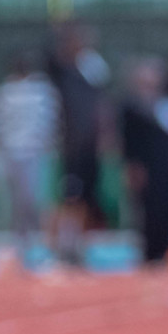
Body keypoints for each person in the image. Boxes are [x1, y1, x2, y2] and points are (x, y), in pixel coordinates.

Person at [0, 54, 59, 254]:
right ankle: (21, 244)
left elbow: (50, 122)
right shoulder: (5, 94)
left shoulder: (39, 92)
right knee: (18, 202)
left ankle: (37, 243)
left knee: (33, 201)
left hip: (32, 153)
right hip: (15, 152)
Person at [47, 24, 109, 266]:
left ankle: (79, 247)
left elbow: (101, 101)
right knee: (68, 197)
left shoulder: (91, 70)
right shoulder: (63, 72)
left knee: (86, 199)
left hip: (89, 147)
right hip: (70, 147)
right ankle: (62, 245)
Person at [119, 58, 168, 266]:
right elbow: (128, 141)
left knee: (165, 209)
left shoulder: (165, 105)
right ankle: (149, 253)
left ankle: (163, 251)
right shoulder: (131, 107)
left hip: (164, 167)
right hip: (143, 167)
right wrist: (132, 167)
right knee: (145, 211)